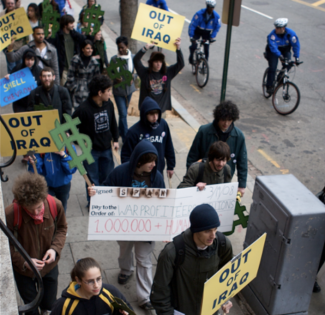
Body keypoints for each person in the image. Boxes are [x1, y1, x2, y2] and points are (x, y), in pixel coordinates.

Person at [88, 140, 165, 310]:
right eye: (150, 161)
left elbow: (164, 202)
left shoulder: (157, 177)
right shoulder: (120, 172)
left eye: (154, 161)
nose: (154, 165)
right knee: (124, 250)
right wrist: (96, 192)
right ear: (139, 161)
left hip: (146, 228)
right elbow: (106, 190)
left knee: (144, 260)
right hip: (124, 225)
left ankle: (145, 297)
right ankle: (126, 269)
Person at [150, 203, 233, 315]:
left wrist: (225, 299)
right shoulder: (171, 253)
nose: (213, 236)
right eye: (207, 231)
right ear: (195, 230)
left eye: (215, 229)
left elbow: (227, 276)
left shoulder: (222, 244)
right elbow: (159, 295)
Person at [5, 172, 67, 315]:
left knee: (50, 304)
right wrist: (25, 262)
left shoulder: (55, 205)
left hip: (49, 266)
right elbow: (6, 246)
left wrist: (55, 249)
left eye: (39, 207)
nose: (35, 212)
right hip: (24, 272)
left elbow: (62, 229)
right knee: (31, 308)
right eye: (30, 209)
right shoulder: (11, 214)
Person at [72, 75, 119, 205]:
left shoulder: (108, 104)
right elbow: (70, 128)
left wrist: (115, 139)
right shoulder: (83, 109)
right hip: (91, 152)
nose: (110, 93)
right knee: (92, 180)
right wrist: (80, 142)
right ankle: (93, 204)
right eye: (108, 90)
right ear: (100, 93)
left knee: (107, 177)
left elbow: (113, 122)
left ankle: (104, 203)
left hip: (107, 149)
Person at [186, 101, 247, 196]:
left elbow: (242, 162)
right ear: (218, 117)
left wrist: (242, 185)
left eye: (230, 120)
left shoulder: (239, 136)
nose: (226, 123)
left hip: (223, 182)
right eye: (223, 119)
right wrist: (191, 179)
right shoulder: (204, 132)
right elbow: (192, 157)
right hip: (203, 181)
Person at [51, 257, 132, 315]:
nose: (96, 285)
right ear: (78, 280)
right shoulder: (64, 305)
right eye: (90, 281)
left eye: (99, 279)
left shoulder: (111, 292)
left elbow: (129, 310)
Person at [121, 96, 175, 178]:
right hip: (140, 174)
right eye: (151, 114)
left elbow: (168, 146)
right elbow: (126, 155)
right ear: (144, 114)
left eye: (157, 113)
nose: (155, 117)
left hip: (158, 172)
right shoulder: (133, 132)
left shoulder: (163, 125)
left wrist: (171, 166)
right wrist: (131, 171)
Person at [133, 37, 184, 113]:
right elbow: (136, 60)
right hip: (147, 112)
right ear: (151, 62)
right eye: (156, 61)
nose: (158, 64)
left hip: (161, 111)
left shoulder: (167, 72)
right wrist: (146, 47)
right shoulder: (144, 73)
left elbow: (181, 64)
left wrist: (178, 49)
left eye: (160, 61)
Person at [28, 147, 77, 213]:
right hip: (46, 185)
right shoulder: (40, 148)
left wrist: (63, 155)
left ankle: (61, 222)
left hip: (63, 184)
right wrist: (34, 163)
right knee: (46, 209)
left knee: (62, 208)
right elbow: (35, 173)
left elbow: (71, 170)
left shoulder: (69, 147)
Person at [47, 14, 93, 85]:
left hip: (74, 69)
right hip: (63, 69)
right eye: (71, 23)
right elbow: (47, 45)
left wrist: (90, 35)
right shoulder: (57, 36)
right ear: (65, 25)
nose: (73, 25)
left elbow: (86, 42)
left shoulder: (75, 35)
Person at [110, 36, 136, 142]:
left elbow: (136, 71)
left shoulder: (132, 58)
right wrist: (115, 78)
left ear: (127, 46)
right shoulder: (114, 59)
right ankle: (126, 138)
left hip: (129, 91)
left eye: (122, 47)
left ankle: (119, 131)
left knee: (123, 114)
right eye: (119, 48)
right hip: (118, 91)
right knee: (123, 114)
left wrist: (133, 78)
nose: (120, 50)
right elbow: (110, 73)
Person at [264, 18, 300, 94]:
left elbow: (295, 45)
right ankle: (269, 86)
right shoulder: (272, 35)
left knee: (289, 64)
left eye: (277, 28)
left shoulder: (291, 34)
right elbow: (273, 47)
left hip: (285, 50)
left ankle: (280, 77)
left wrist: (297, 58)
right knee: (273, 67)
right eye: (275, 27)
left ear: (283, 28)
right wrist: (280, 56)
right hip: (272, 52)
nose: (275, 29)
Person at [65, 39, 100, 108]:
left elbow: (97, 78)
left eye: (91, 48)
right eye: (87, 48)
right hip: (77, 90)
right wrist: (74, 87)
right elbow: (70, 75)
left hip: (90, 90)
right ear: (83, 49)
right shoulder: (76, 59)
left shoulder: (94, 62)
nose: (90, 50)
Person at [188, 0, 221, 64]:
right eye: (210, 7)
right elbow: (192, 25)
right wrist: (191, 36)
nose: (211, 9)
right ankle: (191, 57)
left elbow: (217, 27)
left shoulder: (216, 16)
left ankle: (205, 65)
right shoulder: (199, 14)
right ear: (207, 6)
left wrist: (212, 37)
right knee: (194, 46)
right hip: (198, 31)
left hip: (206, 33)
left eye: (213, 7)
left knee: (206, 49)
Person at [1, 0, 28, 73]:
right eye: (8, 3)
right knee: (11, 67)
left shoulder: (21, 14)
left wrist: (27, 42)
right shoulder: (1, 15)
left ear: (15, 4)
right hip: (8, 46)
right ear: (5, 4)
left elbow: (26, 29)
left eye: (12, 3)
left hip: (19, 46)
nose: (10, 5)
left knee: (20, 66)